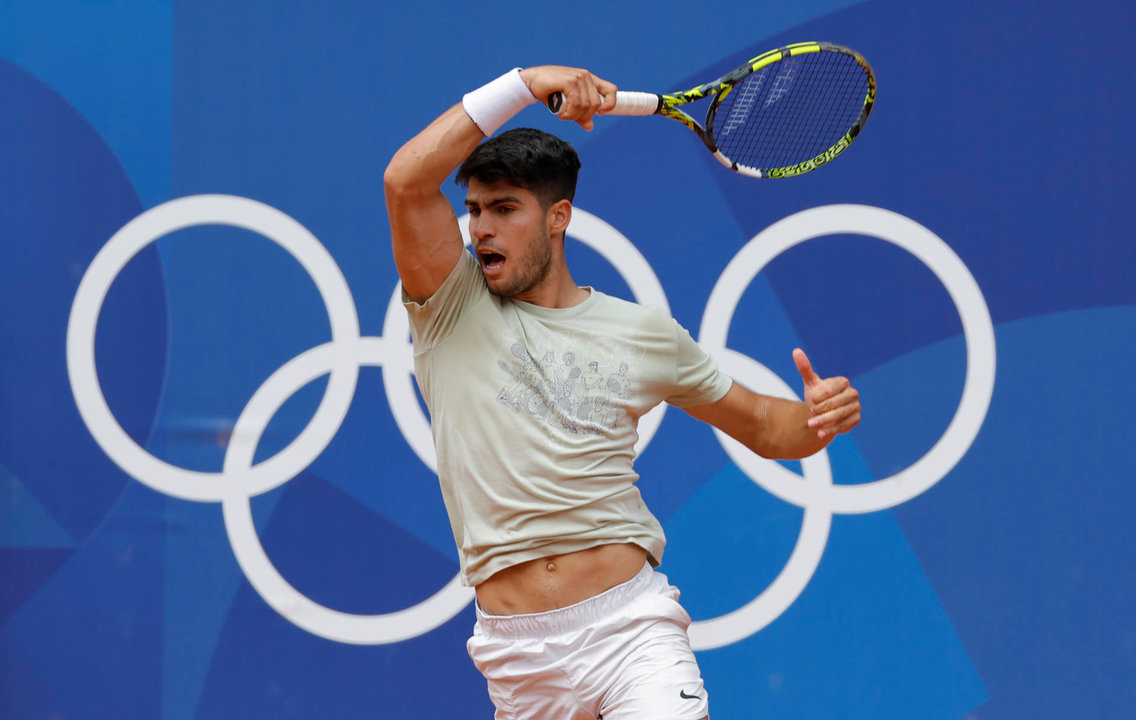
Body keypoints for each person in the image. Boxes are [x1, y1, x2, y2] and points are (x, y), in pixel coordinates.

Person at [383, 65, 861, 720]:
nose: (480, 229)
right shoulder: (450, 307)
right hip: (518, 655)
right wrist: (525, 82)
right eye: (473, 210)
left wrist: (815, 421)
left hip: (631, 629)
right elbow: (405, 180)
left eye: (503, 209)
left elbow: (760, 423)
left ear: (558, 218)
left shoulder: (639, 333)